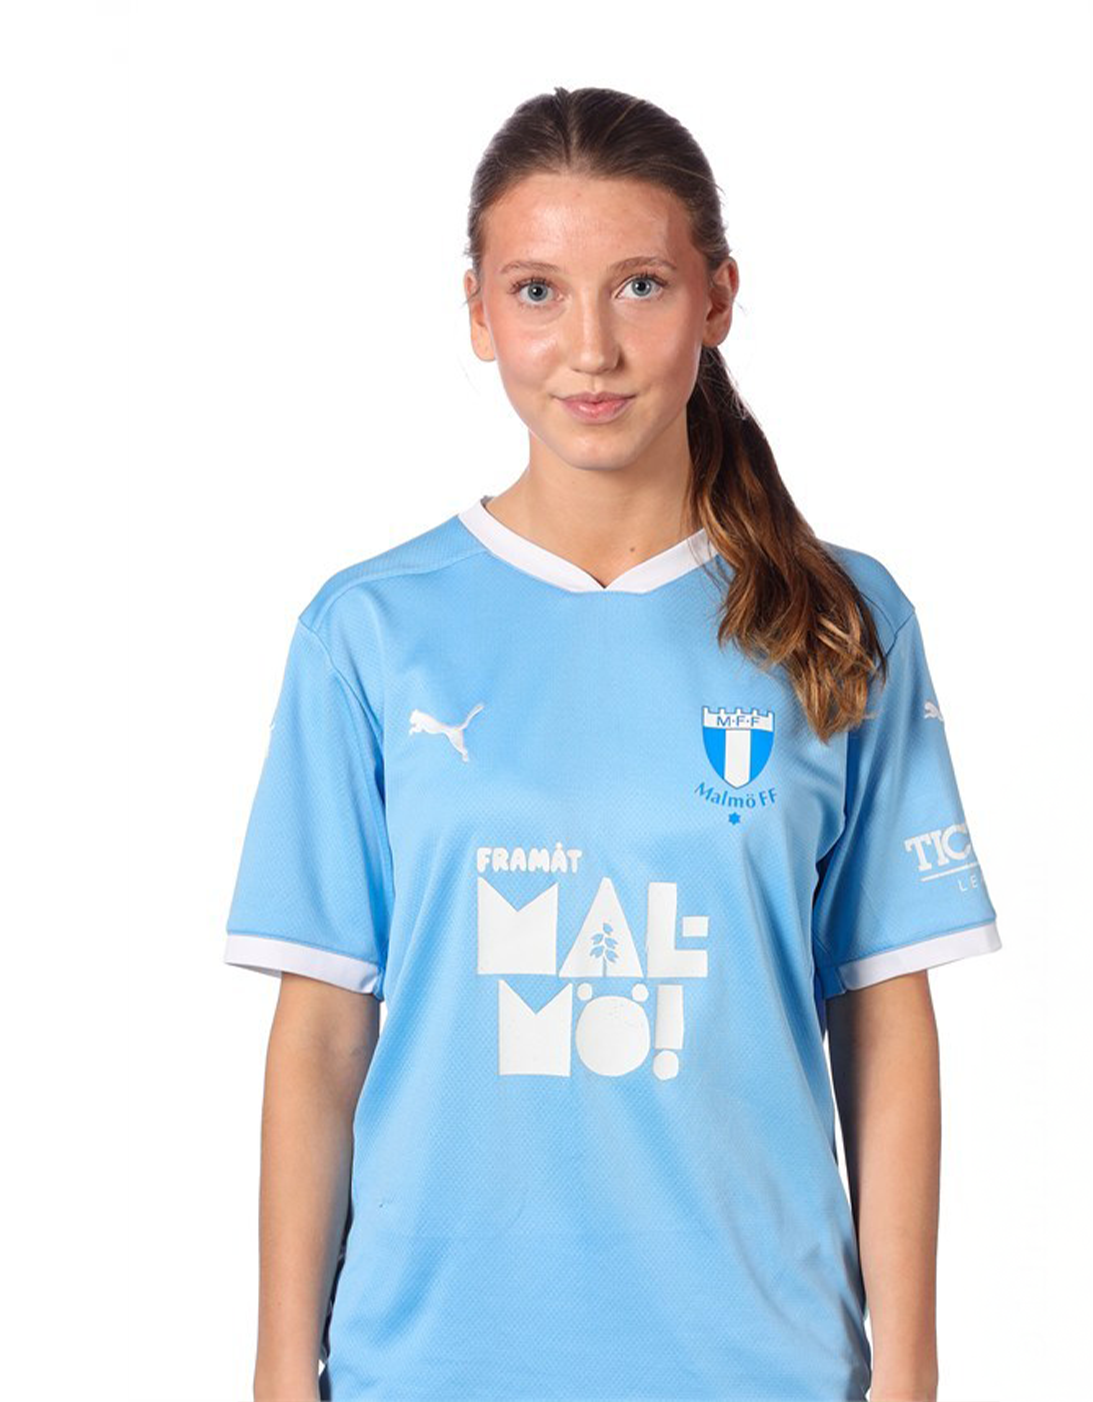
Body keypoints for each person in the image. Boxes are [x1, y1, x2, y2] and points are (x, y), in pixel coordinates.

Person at [224, 85, 1002, 1402]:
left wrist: (911, 1370)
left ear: (717, 298)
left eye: (640, 285)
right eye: (537, 291)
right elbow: (320, 1034)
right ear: (479, 312)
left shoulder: (841, 619)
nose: (589, 347)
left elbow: (882, 1014)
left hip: (762, 1363)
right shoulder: (370, 631)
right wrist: (278, 1373)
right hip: (432, 1364)